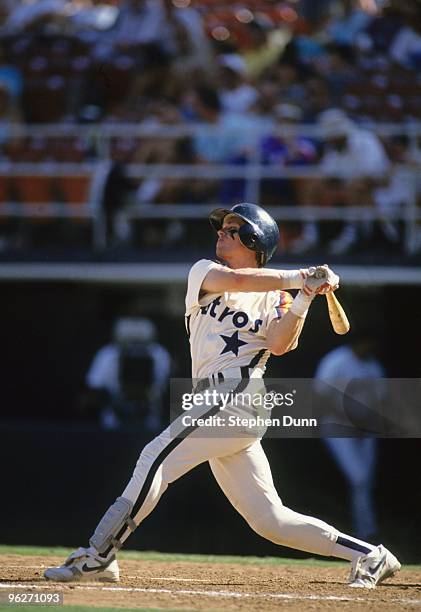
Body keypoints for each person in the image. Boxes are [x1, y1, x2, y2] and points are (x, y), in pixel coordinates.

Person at [44, 202, 400, 588]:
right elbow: (245, 283)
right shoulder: (206, 272)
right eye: (224, 227)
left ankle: (99, 555)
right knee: (269, 519)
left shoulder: (279, 295)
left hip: (238, 394)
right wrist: (303, 277)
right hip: (215, 401)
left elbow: (281, 344)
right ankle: (370, 554)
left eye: (232, 229)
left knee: (154, 456)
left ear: (253, 240)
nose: (220, 233)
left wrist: (306, 296)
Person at [314, 334, 386, 540]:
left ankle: (367, 532)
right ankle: (365, 533)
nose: (372, 346)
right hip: (337, 426)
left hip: (365, 429)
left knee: (365, 481)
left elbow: (380, 402)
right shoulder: (337, 361)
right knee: (359, 477)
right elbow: (320, 395)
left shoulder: (373, 366)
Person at [83, 317, 171, 431]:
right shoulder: (161, 354)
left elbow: (93, 387)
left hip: (149, 419)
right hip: (116, 418)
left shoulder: (107, 354)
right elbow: (94, 388)